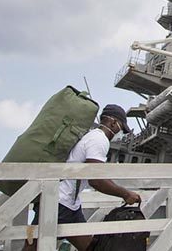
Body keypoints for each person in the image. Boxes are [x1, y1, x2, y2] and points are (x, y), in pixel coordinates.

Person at [24, 104, 142, 251]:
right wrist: (125, 194)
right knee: (32, 247)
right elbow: (96, 180)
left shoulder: (91, 135)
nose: (121, 133)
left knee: (90, 247)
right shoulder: (100, 140)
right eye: (121, 128)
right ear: (112, 122)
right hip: (60, 203)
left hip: (69, 204)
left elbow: (96, 175)